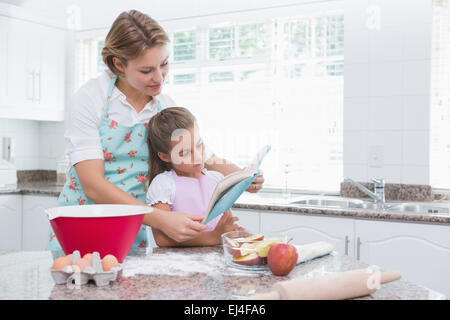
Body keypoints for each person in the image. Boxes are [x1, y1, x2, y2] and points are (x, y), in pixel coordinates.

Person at [46, 9, 264, 251]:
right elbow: (93, 185)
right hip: (84, 224)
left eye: (164, 64)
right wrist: (160, 219)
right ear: (119, 64)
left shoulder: (164, 105)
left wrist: (243, 177)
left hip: (132, 227)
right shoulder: (90, 98)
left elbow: (205, 156)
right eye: (146, 71)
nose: (159, 77)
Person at [146, 107, 246, 247]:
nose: (198, 157)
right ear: (165, 156)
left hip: (216, 261)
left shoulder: (216, 179)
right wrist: (214, 237)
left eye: (199, 145)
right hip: (179, 265)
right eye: (185, 153)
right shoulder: (164, 184)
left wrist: (234, 233)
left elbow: (226, 224)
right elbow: (162, 240)